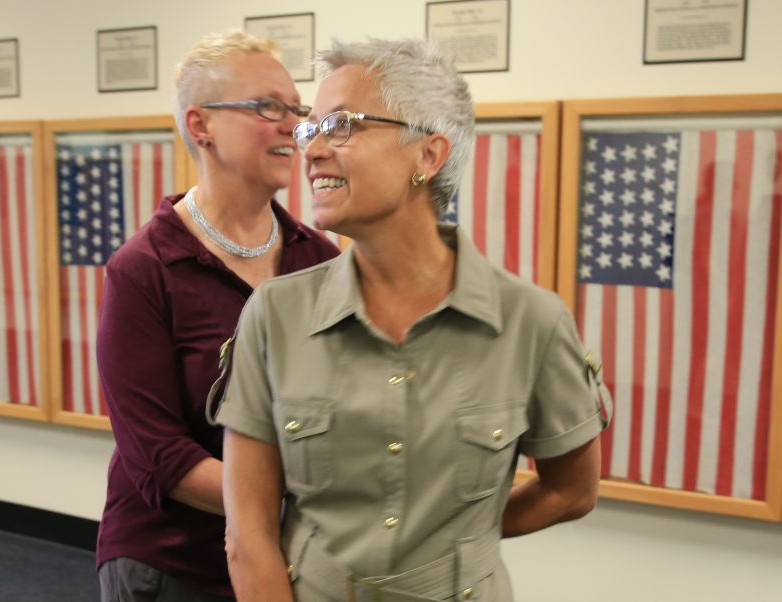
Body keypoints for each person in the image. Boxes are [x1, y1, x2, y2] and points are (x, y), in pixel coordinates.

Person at [214, 38, 613, 602]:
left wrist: (455, 551)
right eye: (311, 129)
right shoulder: (276, 316)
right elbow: (247, 534)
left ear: (428, 155)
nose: (313, 149)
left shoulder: (532, 321)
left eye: (343, 126)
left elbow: (570, 492)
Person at [95, 31, 340, 602]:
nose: (293, 127)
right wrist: (311, 489)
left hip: (289, 558)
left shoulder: (320, 260)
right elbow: (159, 456)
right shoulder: (144, 269)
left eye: (297, 111)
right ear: (200, 125)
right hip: (173, 567)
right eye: (267, 107)